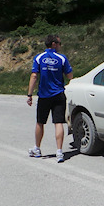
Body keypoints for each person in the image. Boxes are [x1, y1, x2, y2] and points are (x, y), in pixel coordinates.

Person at [27, 35, 73, 163]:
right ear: (54, 44)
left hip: (44, 95)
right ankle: (59, 152)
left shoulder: (39, 58)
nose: (60, 46)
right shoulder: (62, 58)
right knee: (58, 122)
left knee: (40, 122)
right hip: (58, 94)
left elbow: (34, 76)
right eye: (59, 43)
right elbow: (70, 75)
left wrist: (29, 95)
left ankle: (37, 149)